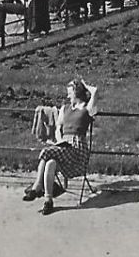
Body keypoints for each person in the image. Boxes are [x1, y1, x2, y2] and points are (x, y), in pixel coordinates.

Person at [23, 78, 99, 214]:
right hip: (64, 146)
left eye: (70, 92)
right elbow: (58, 128)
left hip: (77, 150)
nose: (68, 95)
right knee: (50, 163)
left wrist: (85, 84)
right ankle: (48, 201)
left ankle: (37, 186)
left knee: (46, 152)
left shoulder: (87, 108)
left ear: (77, 92)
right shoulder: (65, 108)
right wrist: (59, 141)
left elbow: (95, 91)